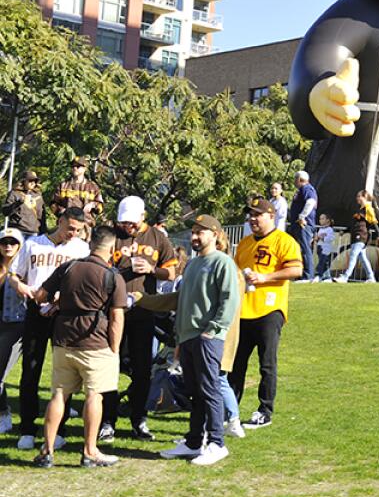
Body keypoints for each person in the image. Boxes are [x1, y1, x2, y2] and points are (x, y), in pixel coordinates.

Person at [31, 226, 126, 468]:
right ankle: (90, 451)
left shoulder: (69, 267)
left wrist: (58, 300)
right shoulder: (113, 275)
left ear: (91, 243)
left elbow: (41, 295)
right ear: (112, 248)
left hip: (63, 338)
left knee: (58, 395)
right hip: (95, 341)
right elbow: (116, 318)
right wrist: (114, 349)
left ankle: (47, 450)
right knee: (94, 395)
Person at [152, 215, 242, 466]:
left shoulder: (222, 262)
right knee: (195, 391)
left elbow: (229, 300)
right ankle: (194, 442)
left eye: (200, 232)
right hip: (188, 338)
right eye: (193, 231)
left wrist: (212, 330)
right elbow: (182, 300)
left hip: (207, 338)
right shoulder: (192, 265)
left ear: (214, 234)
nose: (194, 236)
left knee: (210, 389)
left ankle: (216, 443)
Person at [101, 195, 179, 442]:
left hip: (144, 312)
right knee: (109, 366)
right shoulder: (111, 234)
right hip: (112, 311)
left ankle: (139, 419)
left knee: (143, 368)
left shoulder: (157, 237)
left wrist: (151, 270)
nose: (128, 228)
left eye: (132, 223)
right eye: (124, 223)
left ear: (143, 217)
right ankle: (107, 421)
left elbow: (173, 272)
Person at [11, 208, 89, 450]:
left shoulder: (80, 249)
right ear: (60, 222)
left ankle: (59, 428)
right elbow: (15, 274)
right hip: (36, 309)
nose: (73, 233)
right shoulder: (33, 244)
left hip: (64, 313)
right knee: (31, 368)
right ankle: (27, 428)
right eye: (70, 228)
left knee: (64, 372)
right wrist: (20, 287)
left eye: (77, 229)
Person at [230, 194, 303, 429]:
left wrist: (265, 277)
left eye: (257, 215)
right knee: (235, 364)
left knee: (267, 363)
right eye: (250, 215)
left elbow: (296, 270)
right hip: (243, 310)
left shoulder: (284, 241)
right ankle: (229, 411)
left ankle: (265, 410)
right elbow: (234, 271)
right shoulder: (245, 243)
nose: (252, 219)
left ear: (271, 216)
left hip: (270, 310)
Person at [0, 228, 25, 433]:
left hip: (16, 325)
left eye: (13, 242)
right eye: (4, 242)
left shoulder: (23, 267)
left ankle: (4, 415)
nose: (8, 246)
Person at [336, 191, 378, 284]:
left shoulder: (368, 208)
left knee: (353, 255)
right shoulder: (359, 209)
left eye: (359, 196)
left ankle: (345, 276)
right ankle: (371, 277)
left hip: (361, 236)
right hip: (355, 236)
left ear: (365, 197)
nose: (357, 198)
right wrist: (345, 231)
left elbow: (374, 222)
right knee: (363, 259)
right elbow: (353, 224)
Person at [287, 171, 318, 281]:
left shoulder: (307, 189)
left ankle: (308, 275)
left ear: (299, 179)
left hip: (303, 224)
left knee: (305, 249)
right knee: (298, 249)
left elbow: (310, 201)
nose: (294, 182)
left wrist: (302, 216)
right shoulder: (302, 190)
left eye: (295, 179)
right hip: (297, 224)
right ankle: (299, 274)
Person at [3, 170, 45, 238]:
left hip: (33, 232)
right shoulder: (14, 193)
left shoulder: (38, 196)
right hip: (17, 230)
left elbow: (41, 216)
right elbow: (5, 211)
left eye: (35, 181)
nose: (32, 183)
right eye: (30, 180)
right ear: (23, 181)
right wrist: (19, 202)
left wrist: (43, 232)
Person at [314, 214, 335, 283]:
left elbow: (330, 238)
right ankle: (327, 277)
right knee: (325, 263)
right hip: (320, 248)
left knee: (322, 262)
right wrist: (316, 238)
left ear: (327, 220)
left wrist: (322, 238)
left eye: (322, 219)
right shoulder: (320, 229)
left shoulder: (330, 229)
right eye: (320, 219)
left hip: (325, 249)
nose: (320, 220)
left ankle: (318, 275)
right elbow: (317, 238)